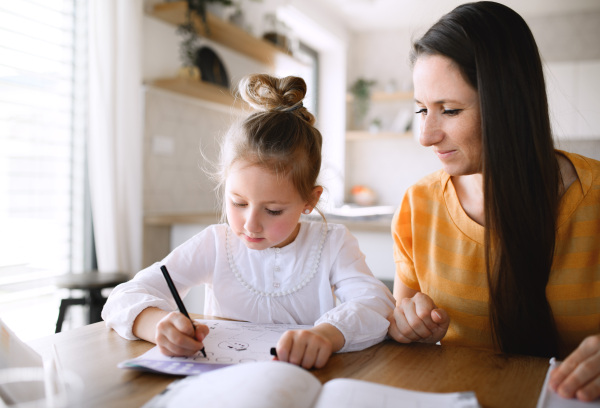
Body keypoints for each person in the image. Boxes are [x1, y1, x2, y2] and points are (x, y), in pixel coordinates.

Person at [102, 73, 395, 370]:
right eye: (238, 203)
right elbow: (122, 298)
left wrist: (326, 335)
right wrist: (157, 325)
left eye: (274, 210)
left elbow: (376, 304)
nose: (250, 225)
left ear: (310, 200)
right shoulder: (215, 244)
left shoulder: (333, 243)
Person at [386, 1, 600, 402]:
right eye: (421, 109)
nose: (425, 135)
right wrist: (407, 326)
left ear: (509, 105)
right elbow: (402, 323)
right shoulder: (418, 205)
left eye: (449, 110)